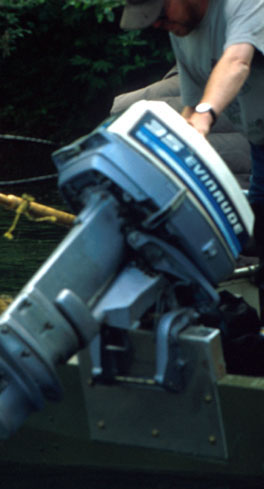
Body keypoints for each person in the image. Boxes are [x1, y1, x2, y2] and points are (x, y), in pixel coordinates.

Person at [120, 0, 264, 311]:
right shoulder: (181, 31)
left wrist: (204, 114)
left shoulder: (243, 4)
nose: (157, 25)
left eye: (160, 14)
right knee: (260, 237)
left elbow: (237, 61)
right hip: (261, 145)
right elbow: (191, 105)